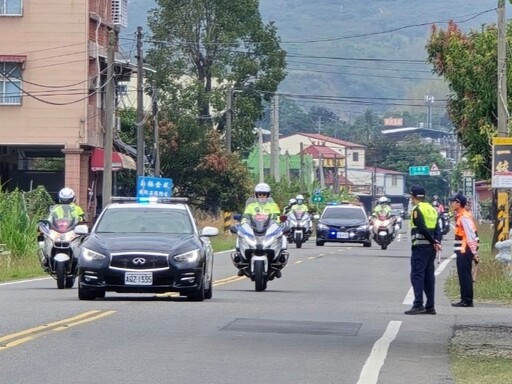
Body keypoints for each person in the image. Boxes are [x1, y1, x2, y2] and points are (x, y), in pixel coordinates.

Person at [405, 185, 442, 315]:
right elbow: (438, 228)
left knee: (417, 275)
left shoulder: (417, 210)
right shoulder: (432, 209)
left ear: (413, 196)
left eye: (411, 195)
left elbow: (421, 228)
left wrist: (433, 241)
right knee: (429, 276)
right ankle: (430, 306)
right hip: (431, 249)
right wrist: (436, 241)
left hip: (420, 248)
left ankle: (418, 304)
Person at [450, 192, 479, 308]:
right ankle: (465, 299)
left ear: (459, 203)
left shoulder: (464, 217)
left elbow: (471, 235)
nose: (452, 204)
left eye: (453, 202)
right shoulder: (461, 215)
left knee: (465, 275)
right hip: (463, 249)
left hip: (465, 250)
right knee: (463, 275)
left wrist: (474, 252)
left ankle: (467, 300)